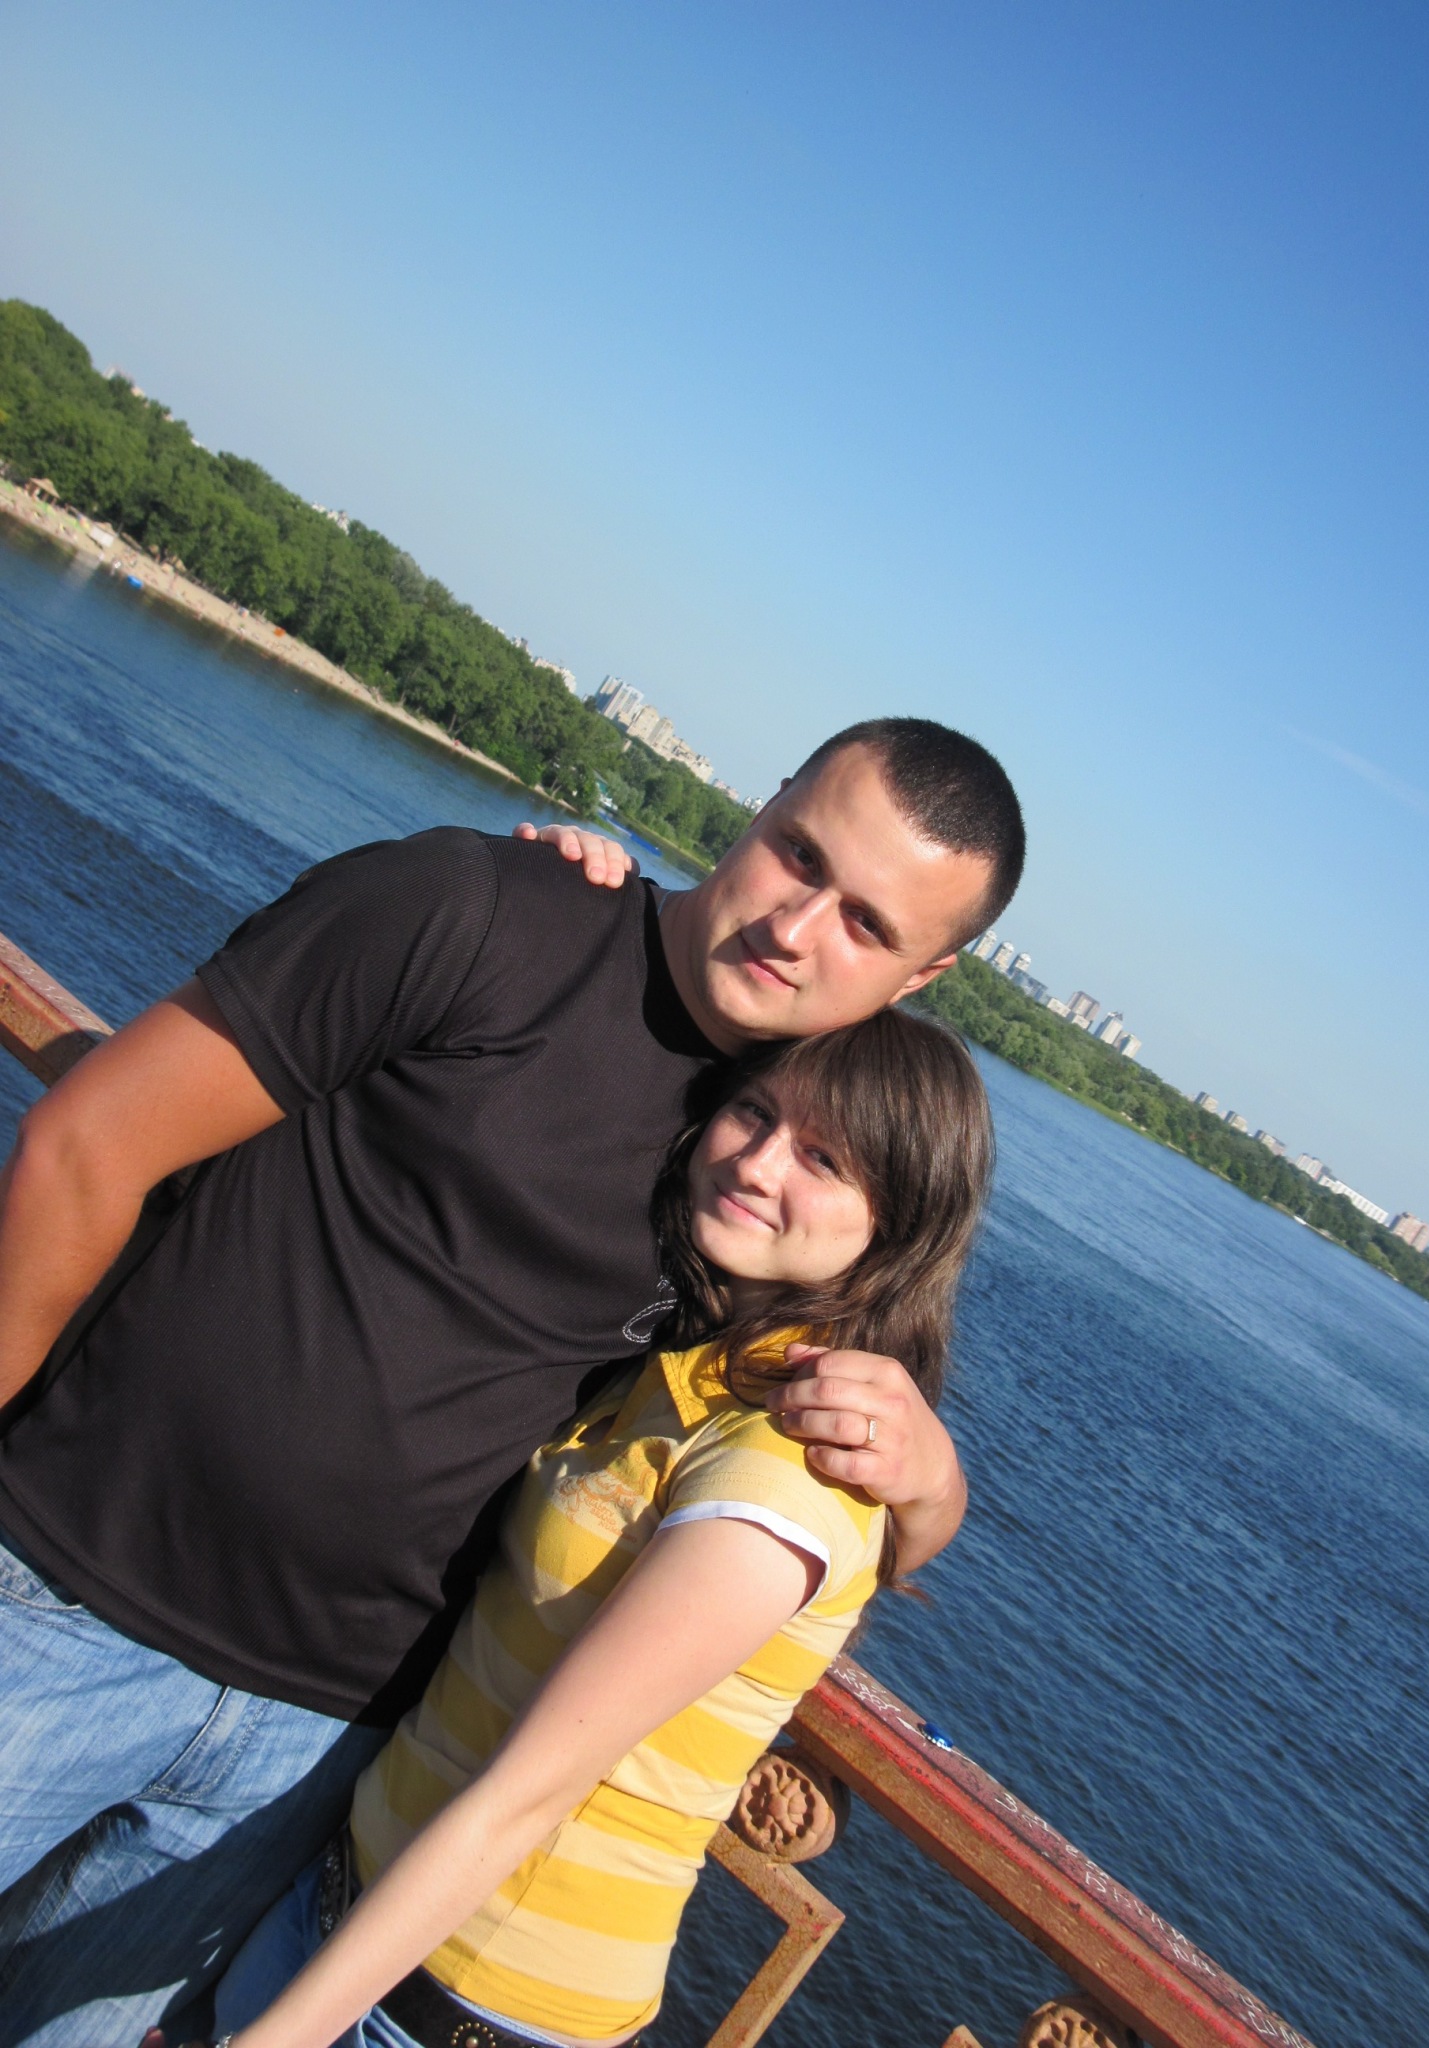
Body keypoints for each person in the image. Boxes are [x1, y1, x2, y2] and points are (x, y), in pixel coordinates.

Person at [0, 717, 1024, 2043]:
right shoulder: (481, 913)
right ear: (761, 802)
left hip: (315, 1744)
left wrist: (934, 1485)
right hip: (58, 1596)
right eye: (799, 853)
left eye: (866, 926)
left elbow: (794, 1516)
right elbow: (85, 1151)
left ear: (919, 976)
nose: (796, 926)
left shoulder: (772, 1184)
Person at [214, 1005, 994, 2047]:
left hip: (449, 2000)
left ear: (898, 1226)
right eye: (755, 1112)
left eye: (823, 1159)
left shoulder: (786, 1464)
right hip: (349, 1908)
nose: (758, 1164)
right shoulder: (696, 1361)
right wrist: (939, 1491)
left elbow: (529, 1793)